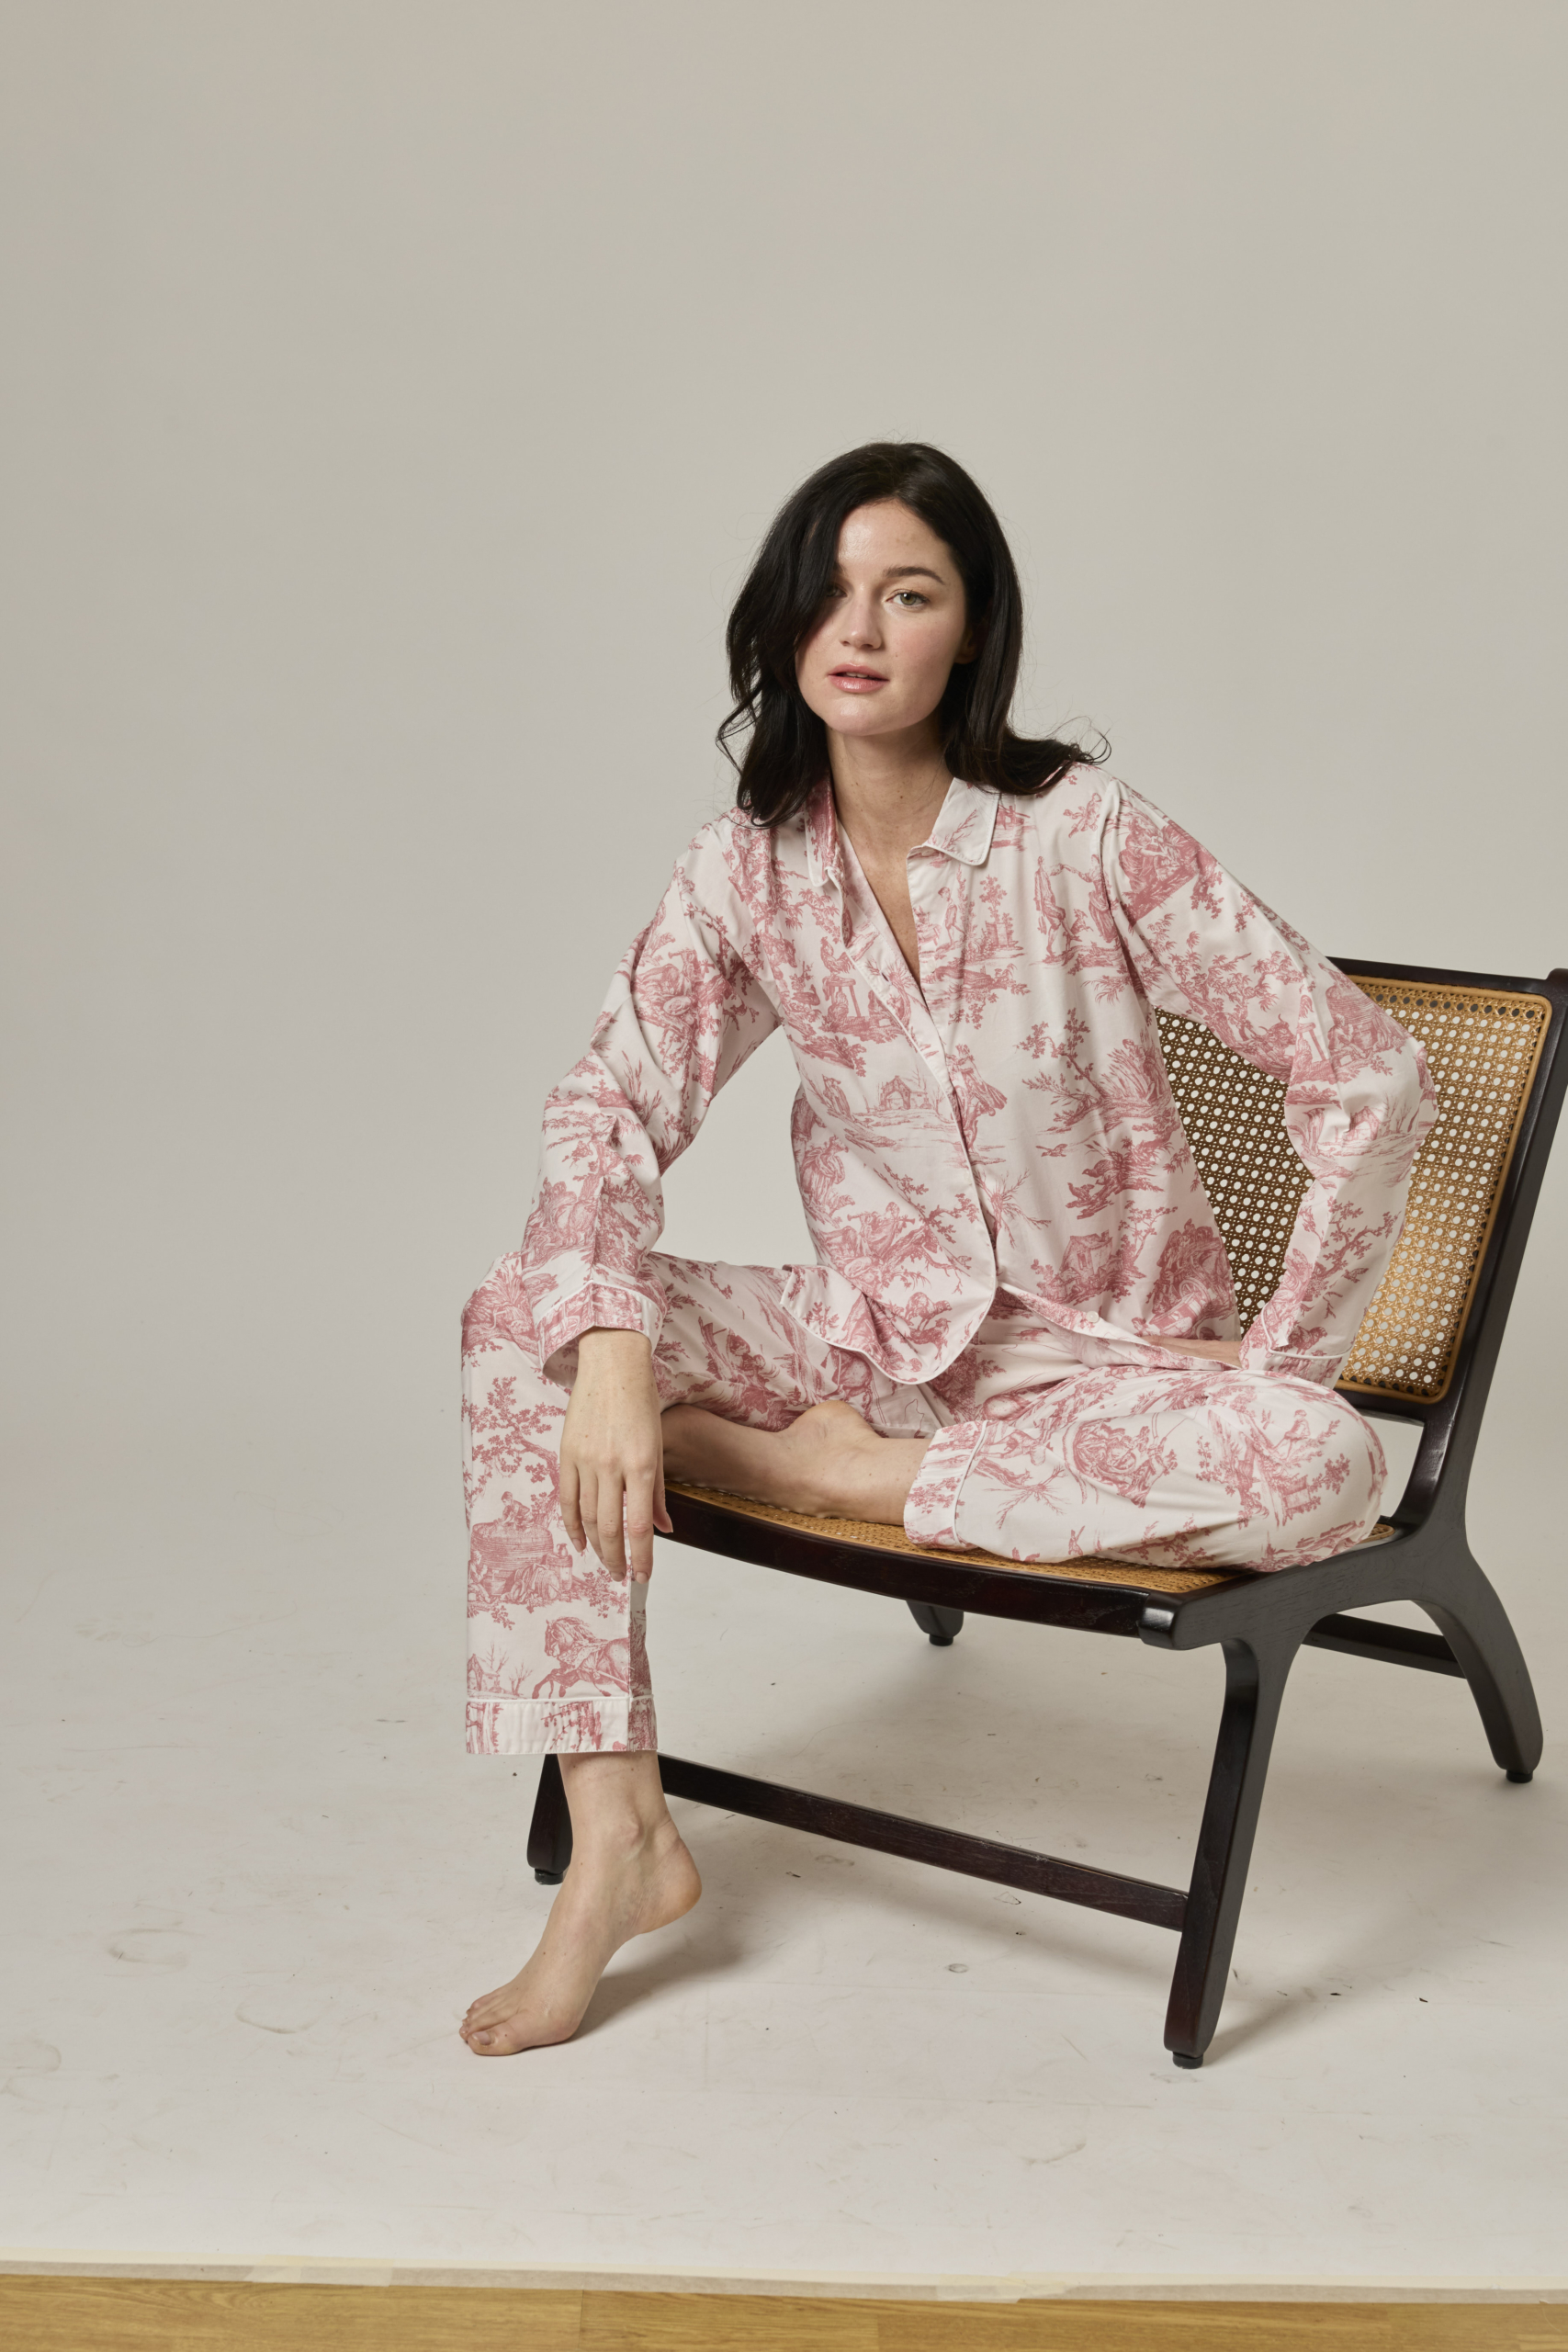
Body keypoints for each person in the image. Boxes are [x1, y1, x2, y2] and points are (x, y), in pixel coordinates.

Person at [457, 442, 1436, 2056]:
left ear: (968, 632)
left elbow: (1365, 1074)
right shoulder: (747, 868)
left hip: (1101, 1381)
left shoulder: (1086, 835)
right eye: (828, 594)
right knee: (524, 1322)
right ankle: (619, 1828)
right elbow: (606, 1111)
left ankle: (821, 1478)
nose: (860, 628)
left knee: (1318, 1456)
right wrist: (616, 1350)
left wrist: (1279, 1354)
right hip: (870, 1344)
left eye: (907, 593)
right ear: (782, 625)